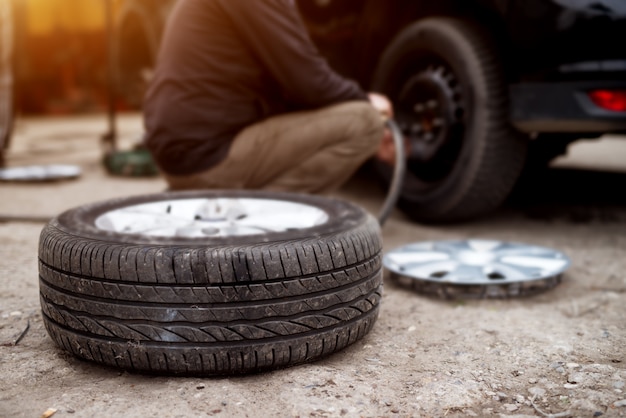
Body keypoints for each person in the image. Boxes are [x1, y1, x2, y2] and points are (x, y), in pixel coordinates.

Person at [144, 0, 394, 193]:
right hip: (205, 157)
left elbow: (289, 86)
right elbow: (308, 81)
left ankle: (222, 206)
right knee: (365, 122)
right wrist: (366, 100)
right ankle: (251, 228)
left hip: (183, 151)